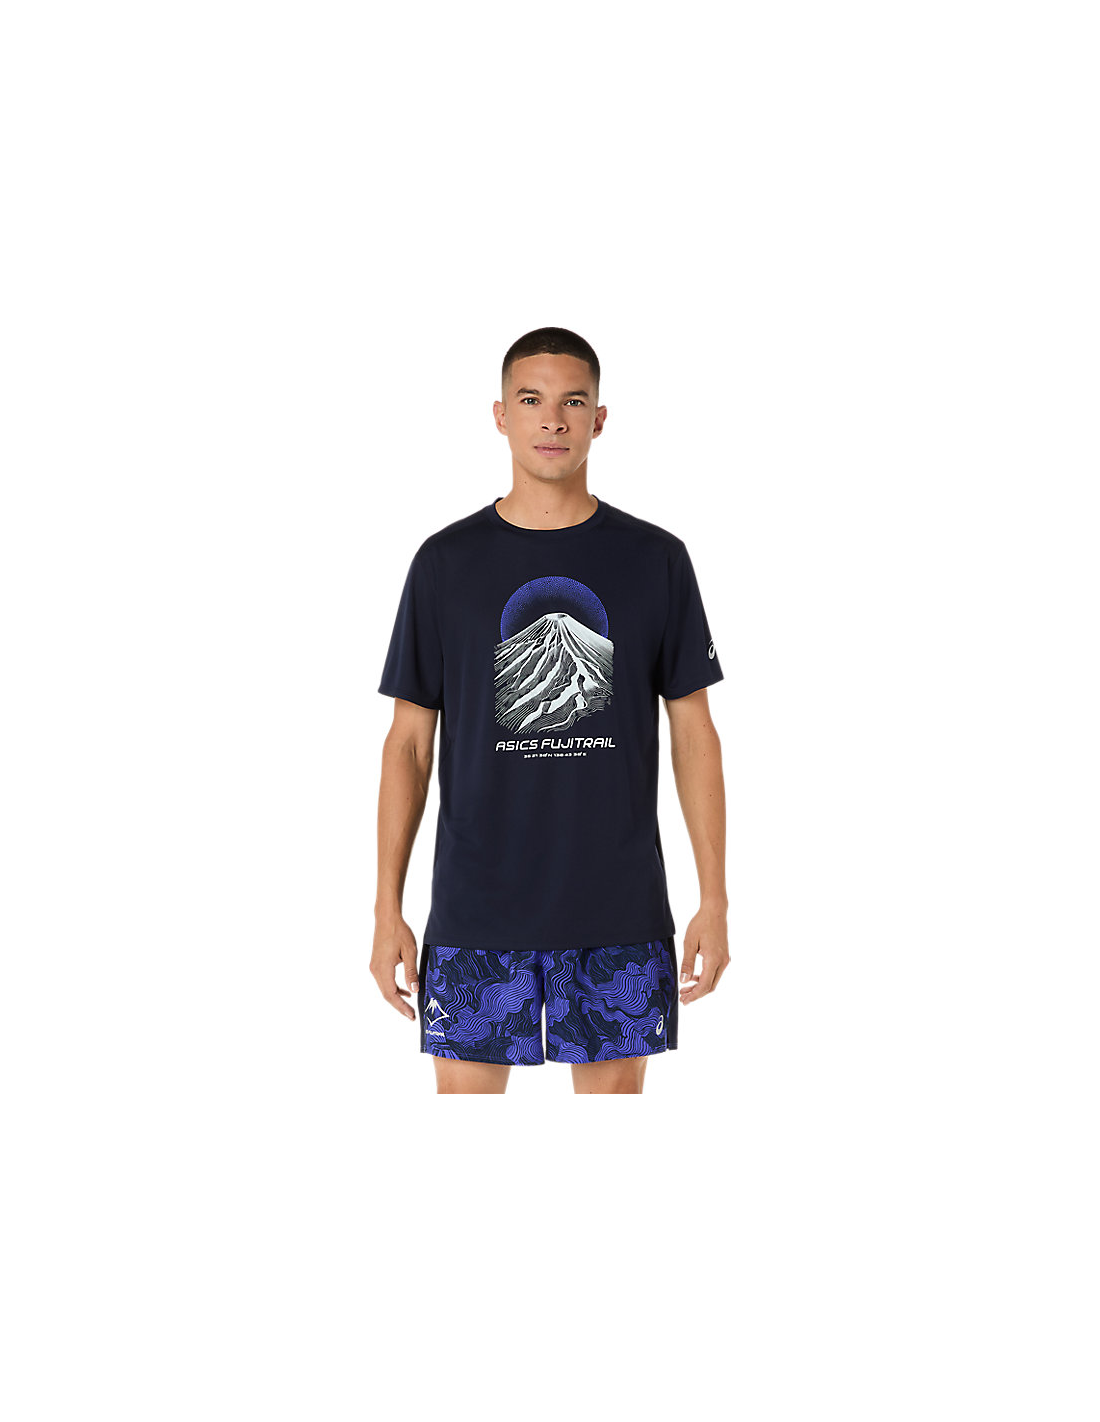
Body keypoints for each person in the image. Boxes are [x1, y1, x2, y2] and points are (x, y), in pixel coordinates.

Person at [373, 327, 728, 1094]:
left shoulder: (656, 560)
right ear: (501, 415)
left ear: (599, 419)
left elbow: (694, 733)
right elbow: (408, 744)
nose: (553, 420)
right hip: (475, 911)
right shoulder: (445, 563)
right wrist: (385, 909)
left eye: (573, 402)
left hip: (618, 910)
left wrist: (715, 899)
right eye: (532, 400)